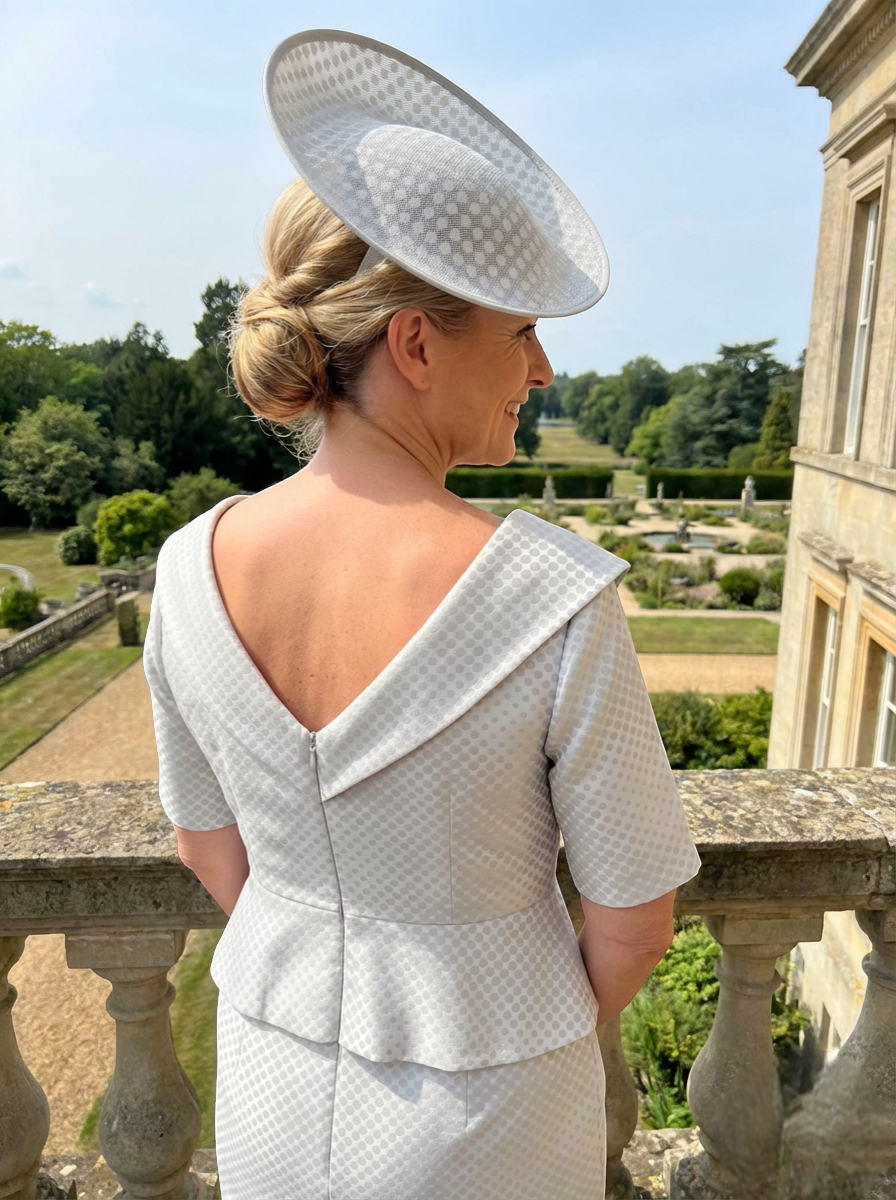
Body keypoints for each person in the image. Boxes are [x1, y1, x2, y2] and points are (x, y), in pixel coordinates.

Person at [144, 31, 701, 1200]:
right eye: (518, 331)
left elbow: (206, 842)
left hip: (272, 1073)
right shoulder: (552, 596)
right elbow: (636, 918)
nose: (540, 369)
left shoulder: (189, 565)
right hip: (492, 1109)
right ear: (413, 344)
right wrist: (507, 1018)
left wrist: (316, 967)